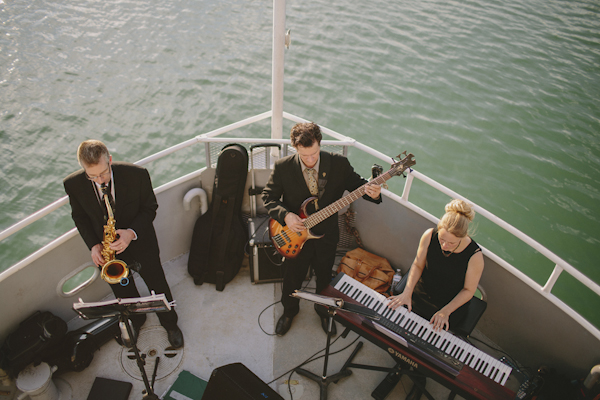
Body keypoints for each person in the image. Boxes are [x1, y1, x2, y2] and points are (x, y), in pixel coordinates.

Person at [262, 122, 382, 336]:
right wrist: (286, 216)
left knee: (325, 276)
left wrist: (373, 193)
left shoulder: (339, 164)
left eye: (314, 154)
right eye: (304, 156)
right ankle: (289, 311)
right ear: (294, 148)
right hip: (295, 235)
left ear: (320, 144)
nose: (310, 160)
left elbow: (359, 186)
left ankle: (324, 310)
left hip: (326, 236)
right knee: (292, 277)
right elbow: (268, 198)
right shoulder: (283, 167)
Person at [63, 140, 184, 349]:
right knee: (122, 291)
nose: (100, 181)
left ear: (109, 160)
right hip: (108, 251)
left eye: (103, 173)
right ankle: (137, 320)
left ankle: (170, 323)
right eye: (92, 176)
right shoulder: (73, 184)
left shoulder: (136, 175)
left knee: (157, 283)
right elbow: (80, 218)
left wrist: (130, 234)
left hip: (140, 242)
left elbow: (150, 208)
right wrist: (93, 245)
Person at [387, 199, 484, 333]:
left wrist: (445, 311)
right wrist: (407, 293)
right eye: (442, 239)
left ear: (463, 237)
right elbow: (417, 265)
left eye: (451, 243)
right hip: (421, 291)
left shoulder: (475, 256)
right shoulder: (429, 235)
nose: (444, 246)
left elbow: (468, 290)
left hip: (450, 303)